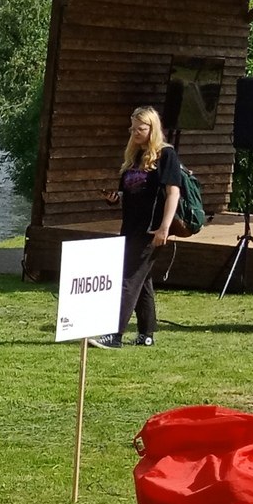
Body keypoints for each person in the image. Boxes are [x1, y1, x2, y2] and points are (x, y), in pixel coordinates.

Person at [100, 106, 181, 346]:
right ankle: (146, 335)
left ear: (152, 129)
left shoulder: (166, 155)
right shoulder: (134, 156)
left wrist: (165, 227)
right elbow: (130, 192)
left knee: (129, 278)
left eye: (141, 128)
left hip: (151, 230)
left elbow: (173, 193)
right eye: (133, 128)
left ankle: (114, 336)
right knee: (142, 281)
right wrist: (114, 198)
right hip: (130, 228)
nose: (135, 132)